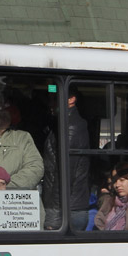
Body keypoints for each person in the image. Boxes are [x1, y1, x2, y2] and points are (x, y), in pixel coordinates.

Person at [42, 91, 91, 231]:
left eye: (55, 99)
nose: (51, 104)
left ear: (71, 99)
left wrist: (56, 218)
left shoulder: (71, 127)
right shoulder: (61, 123)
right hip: (65, 208)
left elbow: (64, 175)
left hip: (68, 211)